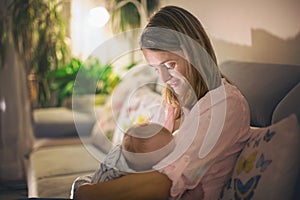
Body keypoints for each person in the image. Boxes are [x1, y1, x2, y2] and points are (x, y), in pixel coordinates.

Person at [74, 5, 251, 200]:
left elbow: (165, 181)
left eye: (170, 65)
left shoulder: (224, 105)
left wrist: (85, 192)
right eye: (156, 69)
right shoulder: (171, 106)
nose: (164, 79)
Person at [71, 123, 175, 198]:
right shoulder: (122, 171)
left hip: (94, 182)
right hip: (97, 184)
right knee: (81, 183)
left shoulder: (127, 153)